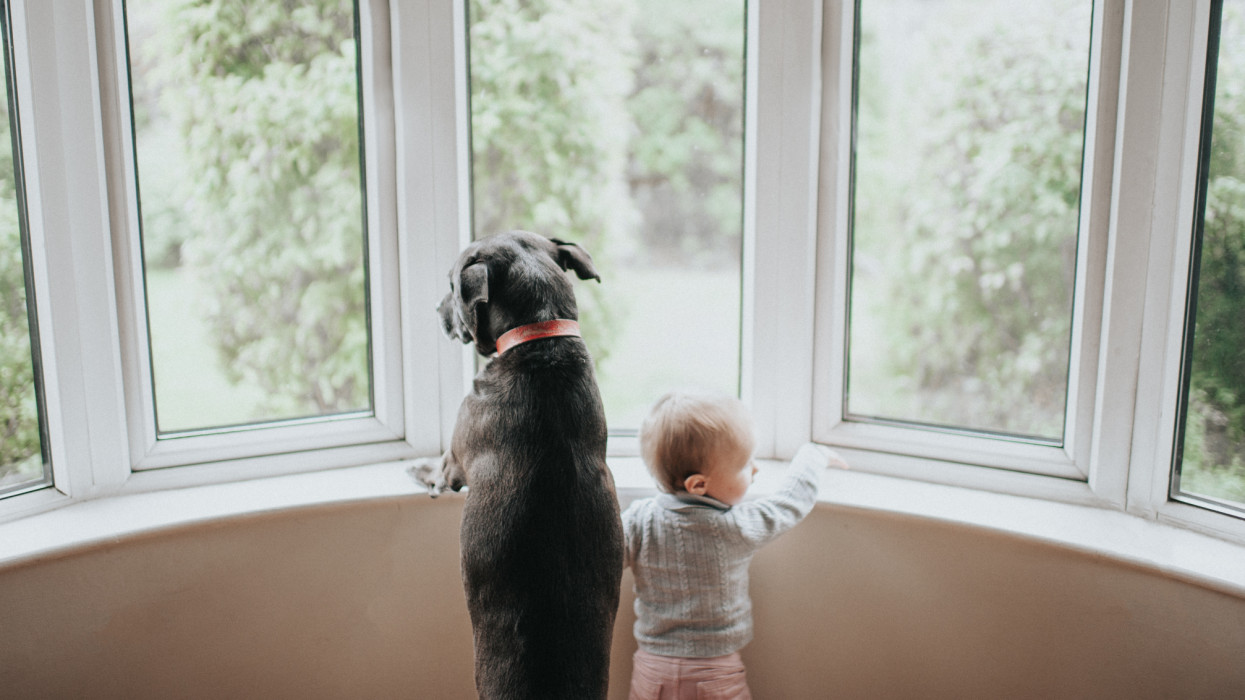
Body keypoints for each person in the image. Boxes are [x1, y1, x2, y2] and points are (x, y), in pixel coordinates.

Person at [621, 391, 846, 700]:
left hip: (651, 673)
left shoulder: (638, 521)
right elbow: (789, 504)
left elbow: (594, 557)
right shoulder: (736, 527)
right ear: (698, 485)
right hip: (715, 676)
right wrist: (812, 457)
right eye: (744, 465)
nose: (754, 470)